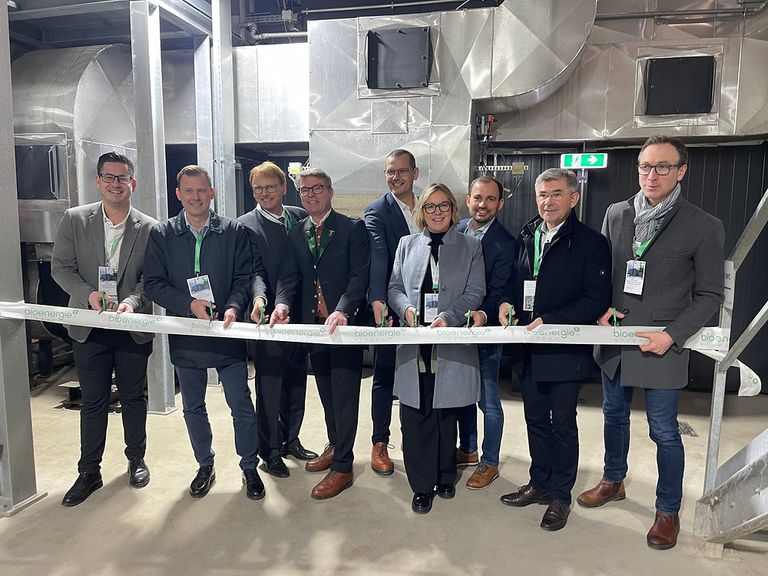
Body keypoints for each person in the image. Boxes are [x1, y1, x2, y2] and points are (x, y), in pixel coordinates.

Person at [579, 135, 725, 550]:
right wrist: (603, 308)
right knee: (612, 415)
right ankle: (613, 479)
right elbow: (604, 272)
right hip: (616, 343)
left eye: (662, 167)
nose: (651, 174)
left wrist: (673, 335)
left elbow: (711, 295)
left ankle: (667, 509)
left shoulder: (703, 225)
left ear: (681, 171)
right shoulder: (617, 213)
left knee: (663, 431)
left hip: (661, 344)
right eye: (645, 166)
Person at [143, 165, 268, 501]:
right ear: (178, 194)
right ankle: (204, 465)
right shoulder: (162, 233)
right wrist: (187, 304)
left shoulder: (233, 232)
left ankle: (249, 467)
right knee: (193, 406)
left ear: (212, 192)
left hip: (227, 333)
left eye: (202, 190)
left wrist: (233, 307)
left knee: (241, 404)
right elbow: (152, 283)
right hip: (186, 335)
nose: (196, 197)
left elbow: (244, 277)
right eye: (189, 191)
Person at [498, 168, 611, 531]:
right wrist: (504, 302)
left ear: (573, 198)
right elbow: (515, 282)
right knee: (534, 420)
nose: (548, 201)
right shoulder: (527, 234)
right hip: (528, 348)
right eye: (543, 194)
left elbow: (594, 300)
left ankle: (561, 494)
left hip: (563, 350)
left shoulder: (591, 243)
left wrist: (550, 320)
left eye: (557, 194)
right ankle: (540, 483)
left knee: (562, 423)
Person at [52, 151, 157, 507]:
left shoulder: (150, 227)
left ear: (133, 183)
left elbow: (151, 279)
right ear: (98, 181)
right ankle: (89, 471)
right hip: (89, 325)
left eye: (122, 177)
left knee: (134, 397)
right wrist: (89, 294)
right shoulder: (75, 219)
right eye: (109, 177)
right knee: (93, 401)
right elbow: (61, 269)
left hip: (131, 326)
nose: (116, 183)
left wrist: (131, 302)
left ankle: (136, 459)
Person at [388, 183, 486, 514]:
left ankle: (445, 476)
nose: (437, 212)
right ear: (421, 212)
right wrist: (405, 310)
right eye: (430, 206)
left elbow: (475, 291)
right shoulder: (406, 244)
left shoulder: (471, 246)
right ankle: (421, 486)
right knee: (415, 415)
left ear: (453, 210)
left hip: (449, 340)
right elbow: (395, 287)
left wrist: (448, 316)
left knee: (446, 413)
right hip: (415, 342)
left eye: (443, 205)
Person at [287, 168, 370, 499]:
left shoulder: (352, 229)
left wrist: (342, 308)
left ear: (330, 191)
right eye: (305, 190)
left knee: (345, 398)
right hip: (314, 329)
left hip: (344, 329)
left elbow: (359, 276)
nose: (311, 195)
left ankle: (344, 467)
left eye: (317, 188)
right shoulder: (297, 232)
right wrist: (281, 304)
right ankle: (335, 445)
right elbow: (291, 278)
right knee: (326, 395)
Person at [237, 161, 318, 478]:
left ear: (284, 187)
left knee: (297, 381)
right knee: (269, 387)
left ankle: (290, 439)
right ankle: (269, 451)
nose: (264, 193)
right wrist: (261, 300)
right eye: (258, 188)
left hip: (302, 317)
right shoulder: (245, 226)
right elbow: (252, 271)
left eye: (271, 186)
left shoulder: (300, 217)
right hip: (267, 317)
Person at [456, 176, 517, 489]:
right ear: (468, 199)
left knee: (488, 400)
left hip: (486, 330)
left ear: (500, 203)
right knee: (463, 395)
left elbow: (500, 289)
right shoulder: (455, 231)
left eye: (490, 199)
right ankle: (467, 449)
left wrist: (482, 313)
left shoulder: (506, 242)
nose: (483, 205)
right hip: (455, 329)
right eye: (478, 198)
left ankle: (490, 460)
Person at [364, 148, 420, 476]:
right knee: (384, 375)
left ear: (414, 172)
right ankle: (379, 441)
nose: (395, 177)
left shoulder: (429, 206)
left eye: (401, 171)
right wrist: (377, 299)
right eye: (389, 172)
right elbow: (378, 256)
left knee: (422, 373)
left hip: (428, 308)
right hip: (391, 305)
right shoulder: (378, 211)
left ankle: (416, 439)